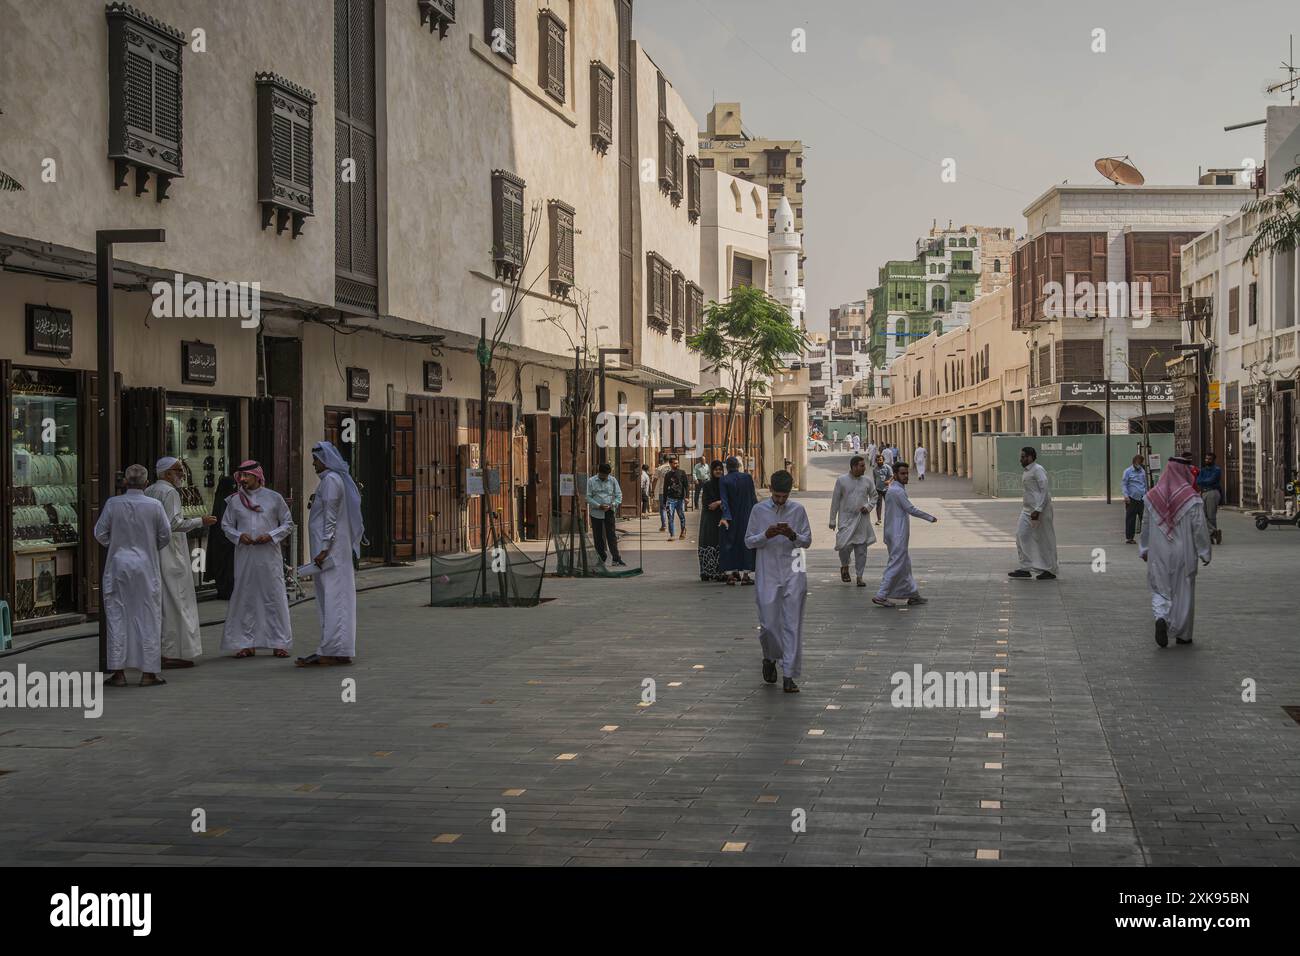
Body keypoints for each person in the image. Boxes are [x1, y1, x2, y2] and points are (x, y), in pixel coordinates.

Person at [94, 464, 172, 687]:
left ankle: (118, 673)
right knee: (149, 616)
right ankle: (148, 673)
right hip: (146, 567)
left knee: (117, 616)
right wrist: (147, 546)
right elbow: (165, 536)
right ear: (146, 484)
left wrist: (117, 545)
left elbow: (100, 533)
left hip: (118, 565)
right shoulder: (155, 505)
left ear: (125, 483)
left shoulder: (113, 504)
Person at [145, 457, 218, 669]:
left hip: (155, 550)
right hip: (170, 550)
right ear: (167, 473)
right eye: (178, 470)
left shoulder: (150, 491)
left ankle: (158, 650)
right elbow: (173, 523)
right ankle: (171, 652)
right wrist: (200, 521)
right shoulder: (169, 492)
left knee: (162, 601)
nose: (182, 474)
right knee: (176, 600)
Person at [297, 441, 363, 667]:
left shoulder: (332, 482)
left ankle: (331, 649)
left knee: (334, 598)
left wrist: (324, 548)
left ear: (324, 461)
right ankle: (339, 648)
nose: (314, 464)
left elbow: (330, 519)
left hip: (331, 553)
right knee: (334, 597)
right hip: (331, 551)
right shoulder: (328, 482)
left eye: (316, 460)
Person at [745, 470, 812, 693]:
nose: (781, 501)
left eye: (784, 497)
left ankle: (789, 674)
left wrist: (792, 535)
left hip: (795, 569)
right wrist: (767, 534)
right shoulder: (758, 510)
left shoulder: (798, 510)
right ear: (771, 491)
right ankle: (770, 656)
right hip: (768, 571)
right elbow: (749, 541)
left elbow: (807, 540)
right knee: (769, 624)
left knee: (792, 624)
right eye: (777, 496)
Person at [221, 461, 295, 658]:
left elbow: (288, 524)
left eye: (247, 476)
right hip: (245, 556)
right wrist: (238, 536)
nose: (243, 480)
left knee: (274, 596)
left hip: (269, 555)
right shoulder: (235, 501)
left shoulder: (274, 498)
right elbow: (226, 525)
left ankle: (279, 642)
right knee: (245, 597)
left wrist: (271, 535)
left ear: (257, 476)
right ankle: (246, 643)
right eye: (241, 476)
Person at [1140, 456, 1212, 647]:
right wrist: (1205, 551)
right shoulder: (1192, 499)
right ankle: (1183, 634)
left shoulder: (1151, 496)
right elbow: (1199, 528)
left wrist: (1144, 548)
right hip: (1184, 552)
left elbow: (1145, 525)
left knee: (1159, 588)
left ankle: (1161, 617)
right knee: (1183, 591)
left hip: (1158, 551)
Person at [872, 461, 937, 607]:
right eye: (902, 473)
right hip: (897, 534)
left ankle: (911, 594)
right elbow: (911, 509)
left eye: (907, 473)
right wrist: (930, 517)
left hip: (893, 532)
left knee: (905, 565)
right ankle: (881, 595)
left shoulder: (893, 489)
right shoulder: (897, 491)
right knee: (896, 564)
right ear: (895, 475)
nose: (906, 476)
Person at [1008, 447, 1058, 580]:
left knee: (1044, 539)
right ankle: (1026, 568)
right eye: (1021, 456)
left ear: (1030, 457)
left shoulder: (1038, 470)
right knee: (1021, 535)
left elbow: (1044, 490)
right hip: (1027, 510)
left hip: (1040, 511)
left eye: (1023, 457)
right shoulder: (1026, 471)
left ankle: (1049, 570)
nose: (1021, 459)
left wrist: (1038, 509)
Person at [829, 455, 877, 586]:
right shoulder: (841, 480)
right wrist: (832, 519)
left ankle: (859, 576)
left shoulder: (867, 481)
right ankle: (845, 566)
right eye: (861, 466)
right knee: (843, 546)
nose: (864, 468)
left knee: (861, 550)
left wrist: (868, 506)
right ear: (854, 466)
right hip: (845, 519)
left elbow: (874, 496)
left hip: (862, 520)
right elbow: (835, 501)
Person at [718, 456, 758, 585]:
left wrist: (725, 517)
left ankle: (730, 575)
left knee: (730, 544)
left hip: (732, 517)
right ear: (738, 466)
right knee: (746, 544)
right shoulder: (747, 478)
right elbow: (753, 497)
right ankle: (746, 575)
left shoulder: (724, 480)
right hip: (747, 516)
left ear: (727, 467)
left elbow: (724, 501)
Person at [585, 461, 626, 566]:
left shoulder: (612, 480)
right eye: (603, 475)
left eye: (606, 475)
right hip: (596, 512)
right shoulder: (591, 481)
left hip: (609, 511)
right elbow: (588, 497)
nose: (604, 477)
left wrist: (612, 504)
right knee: (598, 537)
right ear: (599, 472)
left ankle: (616, 558)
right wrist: (598, 505)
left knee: (611, 535)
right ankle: (601, 557)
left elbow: (619, 495)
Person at [207, 475, 238, 599]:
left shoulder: (220, 498)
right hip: (228, 540)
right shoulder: (228, 500)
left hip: (219, 539)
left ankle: (223, 590)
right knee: (228, 566)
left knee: (222, 566)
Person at [697, 459, 726, 581]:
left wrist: (719, 502)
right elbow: (707, 503)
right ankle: (707, 572)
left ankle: (719, 572)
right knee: (709, 542)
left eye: (720, 469)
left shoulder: (725, 484)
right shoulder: (708, 485)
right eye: (716, 469)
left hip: (722, 518)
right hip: (709, 518)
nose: (718, 471)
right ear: (712, 471)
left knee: (719, 543)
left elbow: (729, 500)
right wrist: (718, 503)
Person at [1197, 452, 1223, 545]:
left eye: (1209, 459)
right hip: (1203, 492)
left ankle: (1211, 536)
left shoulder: (1217, 469)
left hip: (1212, 492)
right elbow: (1198, 481)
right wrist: (1204, 482)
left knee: (1211, 516)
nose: (1207, 460)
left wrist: (1204, 482)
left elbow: (1211, 480)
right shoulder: (1203, 470)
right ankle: (1214, 532)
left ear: (1213, 460)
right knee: (1202, 515)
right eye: (1206, 458)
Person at [1122, 454, 1148, 545]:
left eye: (1140, 463)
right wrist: (1126, 496)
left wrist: (1146, 494)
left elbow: (1145, 484)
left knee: (1144, 518)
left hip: (1142, 498)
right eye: (1137, 463)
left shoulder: (1143, 471)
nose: (1139, 465)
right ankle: (1129, 538)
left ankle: (1146, 537)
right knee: (1130, 519)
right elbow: (1124, 484)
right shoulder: (1127, 471)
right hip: (1131, 498)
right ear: (1133, 463)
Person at [662, 456, 689, 541]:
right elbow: (665, 488)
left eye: (677, 463)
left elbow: (686, 486)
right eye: (674, 463)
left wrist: (687, 497)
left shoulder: (682, 473)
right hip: (670, 499)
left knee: (681, 516)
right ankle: (672, 534)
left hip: (680, 499)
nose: (676, 464)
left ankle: (683, 531)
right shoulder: (668, 475)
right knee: (670, 517)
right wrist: (664, 500)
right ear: (670, 464)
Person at [652, 453, 672, 531]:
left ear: (663, 459)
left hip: (662, 490)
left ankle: (664, 525)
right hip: (671, 491)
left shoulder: (659, 468)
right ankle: (671, 525)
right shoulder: (672, 468)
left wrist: (652, 490)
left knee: (663, 508)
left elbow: (655, 480)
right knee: (670, 508)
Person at [872, 453, 892, 525]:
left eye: (880, 460)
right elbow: (875, 479)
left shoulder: (887, 467)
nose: (879, 461)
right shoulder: (875, 469)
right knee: (878, 505)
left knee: (888, 505)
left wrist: (889, 481)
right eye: (877, 460)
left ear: (883, 460)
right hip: (878, 489)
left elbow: (892, 476)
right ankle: (879, 519)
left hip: (886, 489)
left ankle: (889, 519)